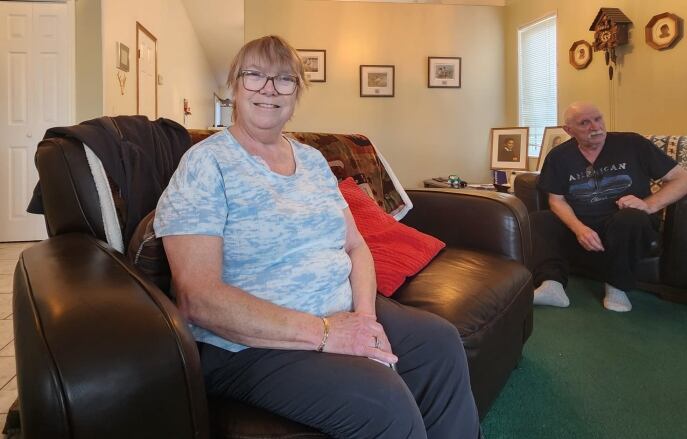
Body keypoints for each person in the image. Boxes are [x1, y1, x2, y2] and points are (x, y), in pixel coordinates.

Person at [153, 35, 480, 438]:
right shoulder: (205, 165)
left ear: (296, 94)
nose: (269, 89)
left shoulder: (311, 160)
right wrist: (327, 333)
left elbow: (356, 246)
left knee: (440, 344)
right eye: (255, 75)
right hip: (251, 344)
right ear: (235, 87)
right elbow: (196, 298)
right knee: (384, 403)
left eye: (284, 79)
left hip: (340, 310)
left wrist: (364, 319)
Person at [531, 102, 687, 312]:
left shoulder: (633, 144)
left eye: (598, 119)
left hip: (624, 221)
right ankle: (552, 285)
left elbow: (684, 179)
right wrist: (578, 228)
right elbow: (556, 199)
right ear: (568, 130)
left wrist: (648, 205)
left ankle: (617, 286)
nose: (595, 127)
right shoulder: (559, 156)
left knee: (630, 218)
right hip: (582, 224)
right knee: (539, 220)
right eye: (584, 123)